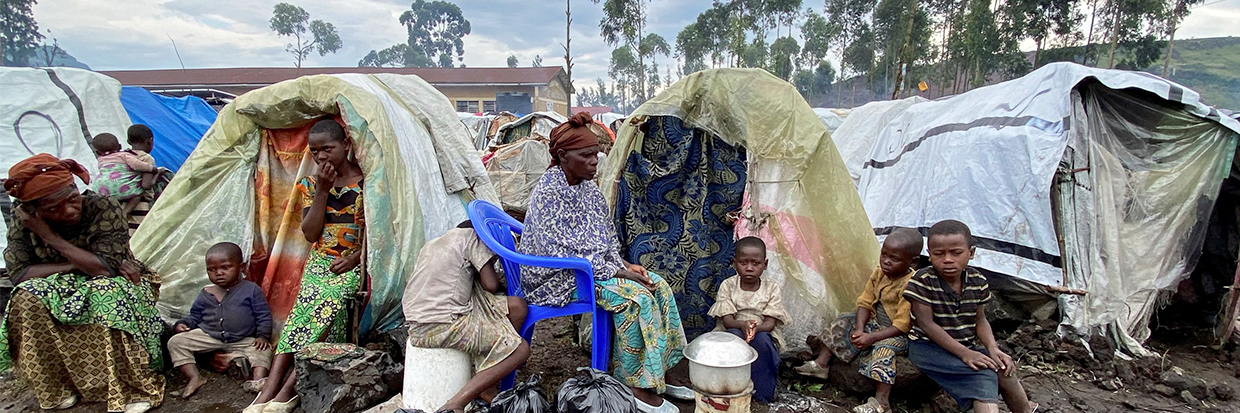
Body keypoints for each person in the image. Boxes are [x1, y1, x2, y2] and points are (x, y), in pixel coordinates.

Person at [518, 112, 690, 413]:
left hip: (592, 269)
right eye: (586, 155)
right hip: (558, 279)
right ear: (562, 156)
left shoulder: (587, 188)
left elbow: (604, 235)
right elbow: (560, 254)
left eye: (596, 153)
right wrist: (619, 272)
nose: (595, 161)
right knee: (635, 299)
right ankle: (635, 386)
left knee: (658, 285)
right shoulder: (548, 193)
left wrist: (624, 263)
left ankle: (658, 372)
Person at [0, 153, 165, 413]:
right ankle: (57, 388)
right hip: (63, 283)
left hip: (119, 280)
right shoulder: (25, 222)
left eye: (72, 199)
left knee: (104, 291)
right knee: (26, 298)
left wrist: (50, 238)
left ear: (77, 188)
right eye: (53, 209)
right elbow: (20, 274)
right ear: (33, 211)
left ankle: (132, 387)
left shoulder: (103, 206)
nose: (69, 210)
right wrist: (76, 262)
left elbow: (105, 270)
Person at [247, 119, 366, 413]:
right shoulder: (311, 185)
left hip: (353, 265)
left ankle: (287, 392)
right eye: (315, 151)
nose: (322, 156)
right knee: (299, 318)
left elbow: (377, 234)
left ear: (346, 145)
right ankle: (268, 394)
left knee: (330, 307)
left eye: (328, 148)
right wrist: (323, 190)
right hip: (320, 264)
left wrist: (354, 259)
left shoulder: (366, 183)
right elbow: (311, 234)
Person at [903, 220, 1037, 413]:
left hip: (964, 345)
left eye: (956, 253)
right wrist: (965, 354)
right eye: (939, 254)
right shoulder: (923, 281)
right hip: (927, 348)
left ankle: (1024, 410)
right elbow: (926, 324)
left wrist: (993, 348)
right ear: (930, 254)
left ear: (971, 253)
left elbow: (980, 320)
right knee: (984, 373)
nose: (948, 259)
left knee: (1003, 368)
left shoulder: (977, 281)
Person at [402, 221, 530, 413]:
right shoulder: (473, 238)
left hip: (418, 318)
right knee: (519, 349)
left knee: (517, 307)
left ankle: (489, 376)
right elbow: (490, 285)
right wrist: (489, 267)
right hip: (443, 323)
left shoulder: (433, 243)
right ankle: (458, 402)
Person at [795, 228, 924, 413]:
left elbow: (902, 325)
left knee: (884, 350)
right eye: (884, 255)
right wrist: (860, 329)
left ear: (913, 261)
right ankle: (822, 364)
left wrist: (871, 338)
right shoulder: (879, 273)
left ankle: (881, 402)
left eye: (894, 259)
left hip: (897, 334)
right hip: (874, 324)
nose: (886, 261)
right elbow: (865, 302)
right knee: (843, 320)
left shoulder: (911, 285)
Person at [168, 242, 273, 399]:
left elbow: (263, 315)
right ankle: (195, 377)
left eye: (225, 268)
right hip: (210, 336)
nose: (219, 273)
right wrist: (183, 324)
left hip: (242, 338)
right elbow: (195, 315)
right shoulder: (206, 293)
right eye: (212, 269)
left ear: (242, 267)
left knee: (263, 350)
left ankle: (258, 380)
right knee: (176, 342)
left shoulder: (250, 290)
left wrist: (262, 336)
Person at [707, 236, 788, 403]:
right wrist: (743, 325)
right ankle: (728, 389)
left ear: (764, 264)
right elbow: (728, 321)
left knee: (763, 342)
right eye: (743, 263)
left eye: (755, 263)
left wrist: (754, 328)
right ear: (734, 263)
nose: (749, 268)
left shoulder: (771, 288)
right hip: (733, 327)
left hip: (762, 330)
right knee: (733, 339)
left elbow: (770, 323)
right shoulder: (728, 286)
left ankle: (763, 393)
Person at [90, 132, 157, 215]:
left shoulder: (100, 160)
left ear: (98, 153)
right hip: (121, 187)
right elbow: (137, 165)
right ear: (120, 146)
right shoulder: (124, 155)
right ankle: (125, 213)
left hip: (102, 189)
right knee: (137, 196)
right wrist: (153, 169)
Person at [125, 124, 174, 234]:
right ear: (150, 141)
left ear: (128, 141)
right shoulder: (146, 158)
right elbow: (146, 185)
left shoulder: (124, 155)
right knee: (138, 234)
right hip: (141, 204)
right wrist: (157, 172)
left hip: (124, 202)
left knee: (127, 231)